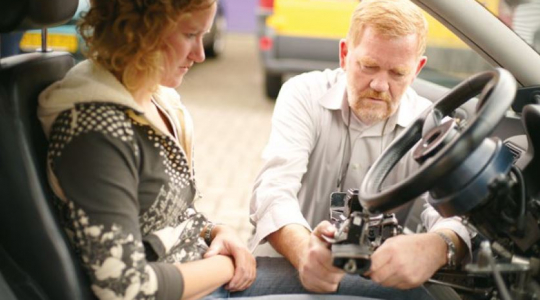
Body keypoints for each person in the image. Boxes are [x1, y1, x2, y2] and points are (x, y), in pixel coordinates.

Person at [36, 0, 404, 299]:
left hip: (202, 272)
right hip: (194, 286)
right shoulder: (96, 131)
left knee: (405, 290)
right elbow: (126, 288)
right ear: (140, 30)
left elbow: (162, 212)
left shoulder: (152, 99)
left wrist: (216, 232)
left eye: (204, 35)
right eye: (190, 34)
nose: (200, 54)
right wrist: (228, 264)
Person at [249, 0, 473, 295]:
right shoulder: (302, 95)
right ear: (344, 54)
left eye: (397, 73)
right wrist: (304, 251)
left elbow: (455, 216)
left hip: (380, 283)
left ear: (417, 69)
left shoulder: (430, 124)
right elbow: (272, 192)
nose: (380, 85)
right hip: (288, 270)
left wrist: (437, 247)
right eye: (369, 66)